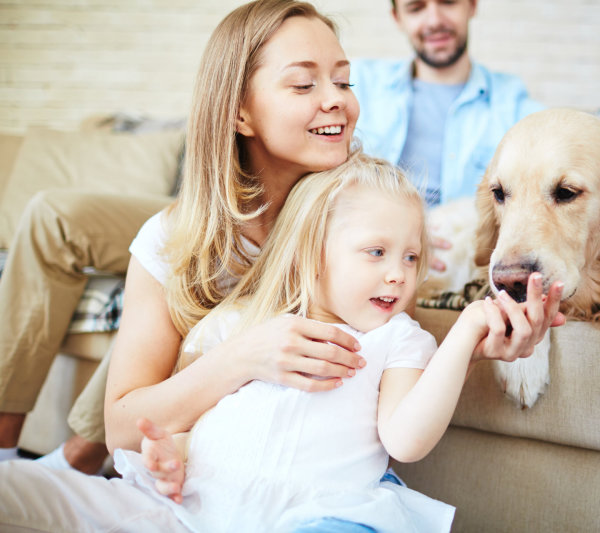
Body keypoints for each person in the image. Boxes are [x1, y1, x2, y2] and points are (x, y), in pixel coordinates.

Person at [0, 0, 545, 473]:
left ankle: (73, 459)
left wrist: (470, 341)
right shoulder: (175, 238)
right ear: (239, 112)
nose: (336, 99)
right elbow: (125, 423)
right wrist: (242, 356)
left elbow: (392, 333)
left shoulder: (354, 229)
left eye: (344, 81)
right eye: (306, 84)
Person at [0, 149, 562, 532]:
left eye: (411, 257)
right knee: (18, 491)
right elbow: (193, 427)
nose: (398, 274)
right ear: (311, 251)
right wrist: (169, 455)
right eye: (375, 252)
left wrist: (465, 333)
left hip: (311, 517)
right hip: (185, 512)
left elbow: (408, 439)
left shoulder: (398, 340)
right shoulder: (238, 323)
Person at [351, 0, 545, 207]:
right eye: (416, 8)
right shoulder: (358, 84)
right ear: (398, 18)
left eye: (448, 2)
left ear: (471, 5)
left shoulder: (512, 103)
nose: (435, 21)